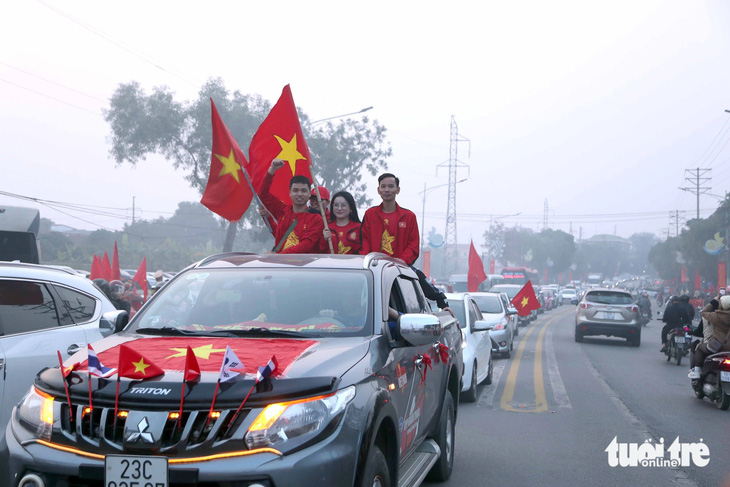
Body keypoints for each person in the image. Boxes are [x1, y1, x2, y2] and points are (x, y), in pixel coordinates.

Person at [259, 158, 325, 254]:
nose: (299, 194)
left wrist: (278, 257)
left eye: (303, 190)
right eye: (295, 190)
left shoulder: (316, 218)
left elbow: (306, 245)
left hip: (303, 267)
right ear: (290, 193)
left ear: (309, 194)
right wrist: (272, 169)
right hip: (281, 267)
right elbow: (262, 194)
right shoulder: (282, 210)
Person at [360, 173, 419, 265]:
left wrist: (402, 262)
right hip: (374, 268)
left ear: (397, 190)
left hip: (400, 269)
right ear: (378, 190)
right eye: (383, 186)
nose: (386, 190)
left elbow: (413, 245)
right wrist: (367, 261)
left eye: (391, 186)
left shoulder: (409, 216)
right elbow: (365, 241)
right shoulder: (370, 214)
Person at [688, 294, 730, 379]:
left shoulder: (716, 316)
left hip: (717, 346)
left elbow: (704, 312)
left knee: (700, 348)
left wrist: (714, 301)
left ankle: (696, 371)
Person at [321, 191, 362, 255]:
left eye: (343, 205)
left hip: (352, 263)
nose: (339, 208)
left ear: (351, 208)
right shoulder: (326, 226)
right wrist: (324, 239)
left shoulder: (359, 228)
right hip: (330, 263)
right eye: (336, 205)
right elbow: (319, 250)